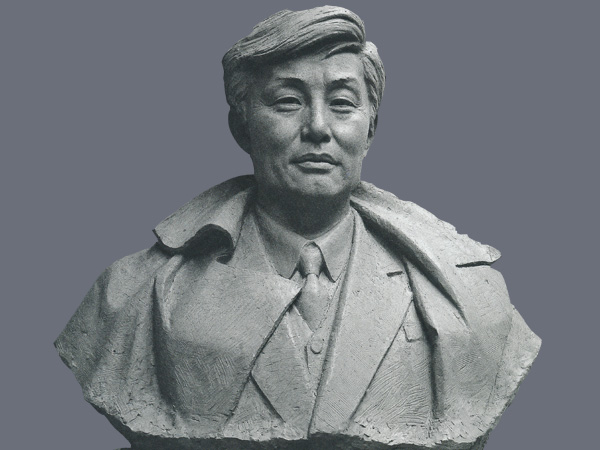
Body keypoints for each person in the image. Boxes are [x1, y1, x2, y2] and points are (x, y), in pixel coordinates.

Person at [56, 6, 540, 450]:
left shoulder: (470, 297)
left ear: (371, 126)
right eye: (288, 102)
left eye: (343, 103)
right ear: (242, 126)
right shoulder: (134, 296)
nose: (318, 128)